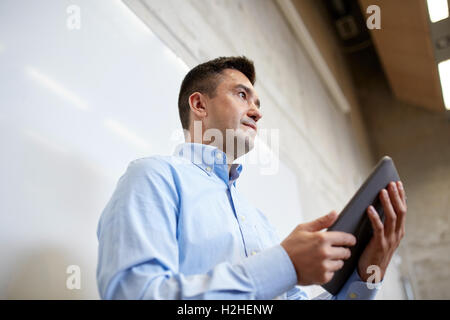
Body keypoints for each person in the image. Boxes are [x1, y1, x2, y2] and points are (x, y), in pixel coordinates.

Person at [96, 56, 407, 299]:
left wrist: (368, 274)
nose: (257, 112)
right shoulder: (152, 178)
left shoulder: (260, 221)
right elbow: (135, 294)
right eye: (242, 95)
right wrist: (284, 264)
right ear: (199, 104)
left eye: (258, 104)